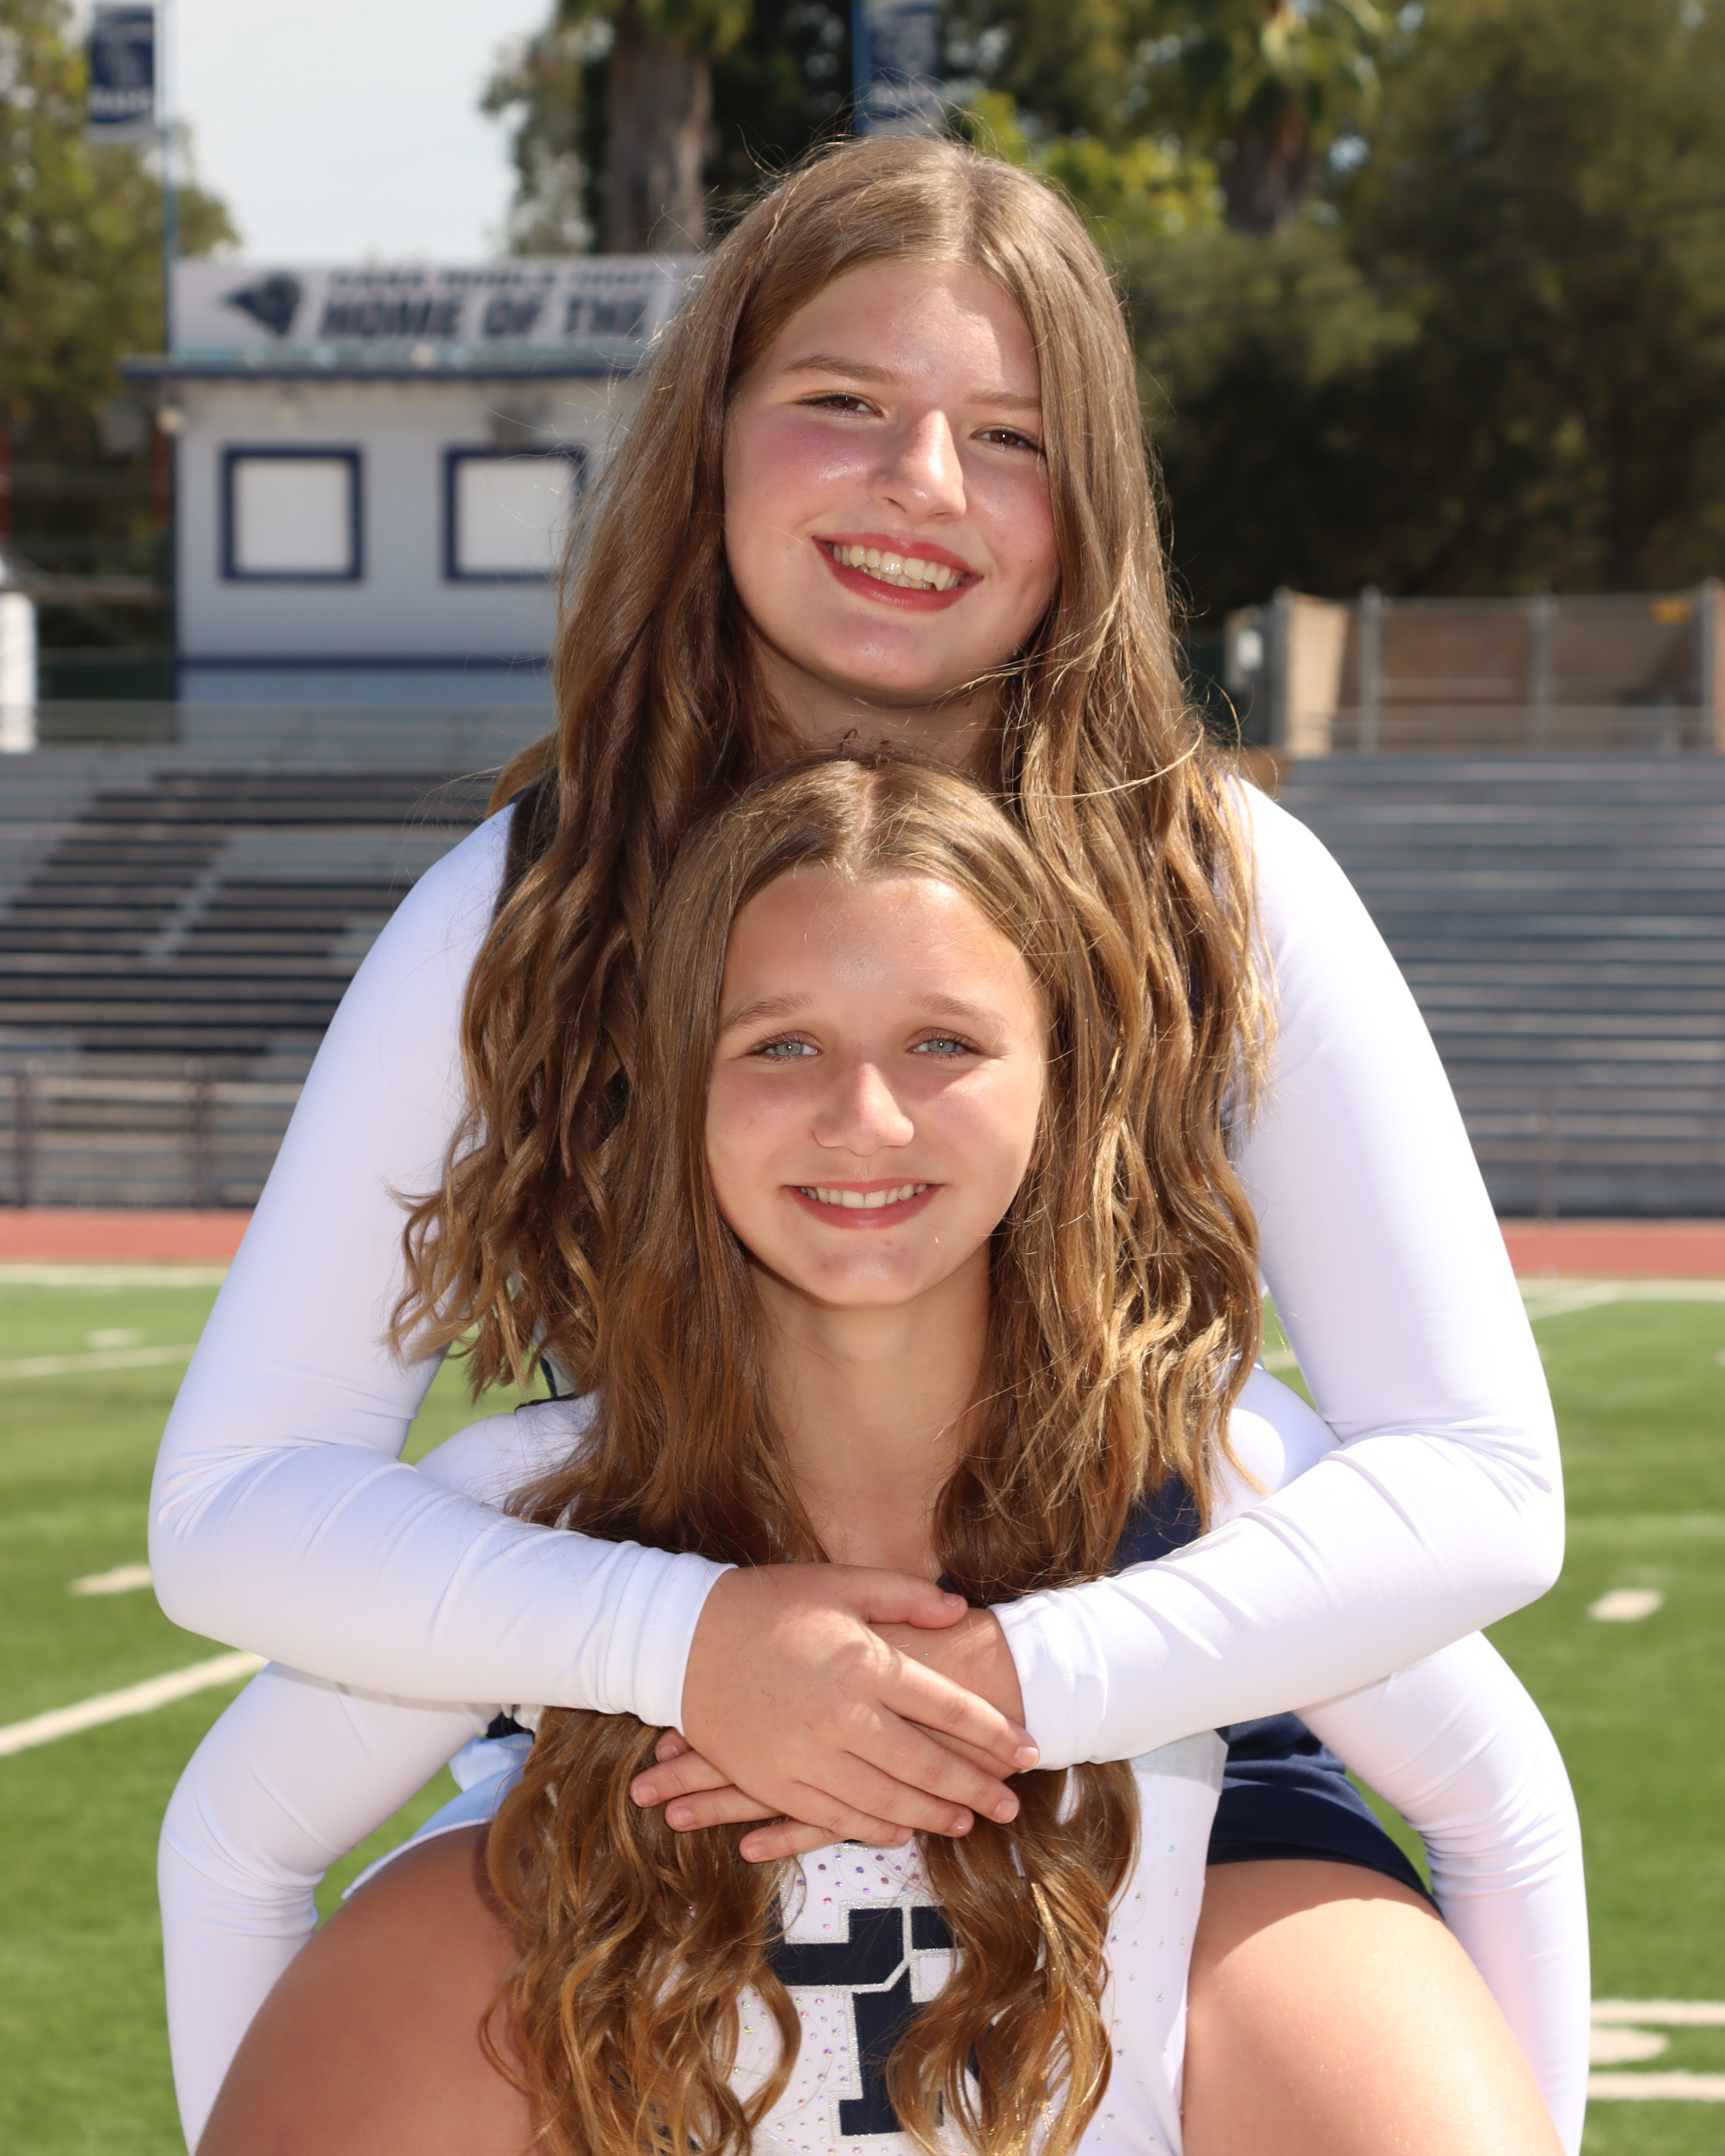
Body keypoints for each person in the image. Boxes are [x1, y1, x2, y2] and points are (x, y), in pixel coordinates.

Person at [149, 136, 1569, 2150]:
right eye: (843, 402)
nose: (922, 482)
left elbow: (1486, 1481)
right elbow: (233, 1508)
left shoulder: (1219, 881)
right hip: (644, 1747)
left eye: (1009, 435)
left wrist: (1027, 1677)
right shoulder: (533, 900)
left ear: (1091, 504)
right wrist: (685, 1639)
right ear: (711, 433)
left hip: (1177, 1715)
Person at [185, 757, 1573, 2156]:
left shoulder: (1204, 1464)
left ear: (1061, 1085)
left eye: (944, 1044)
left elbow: (1500, 1800)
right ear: (675, 1089)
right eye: (781, 1046)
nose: (867, 1118)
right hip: (632, 2006)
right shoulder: (537, 1495)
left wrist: (1028, 1681)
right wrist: (675, 1645)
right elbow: (238, 1840)